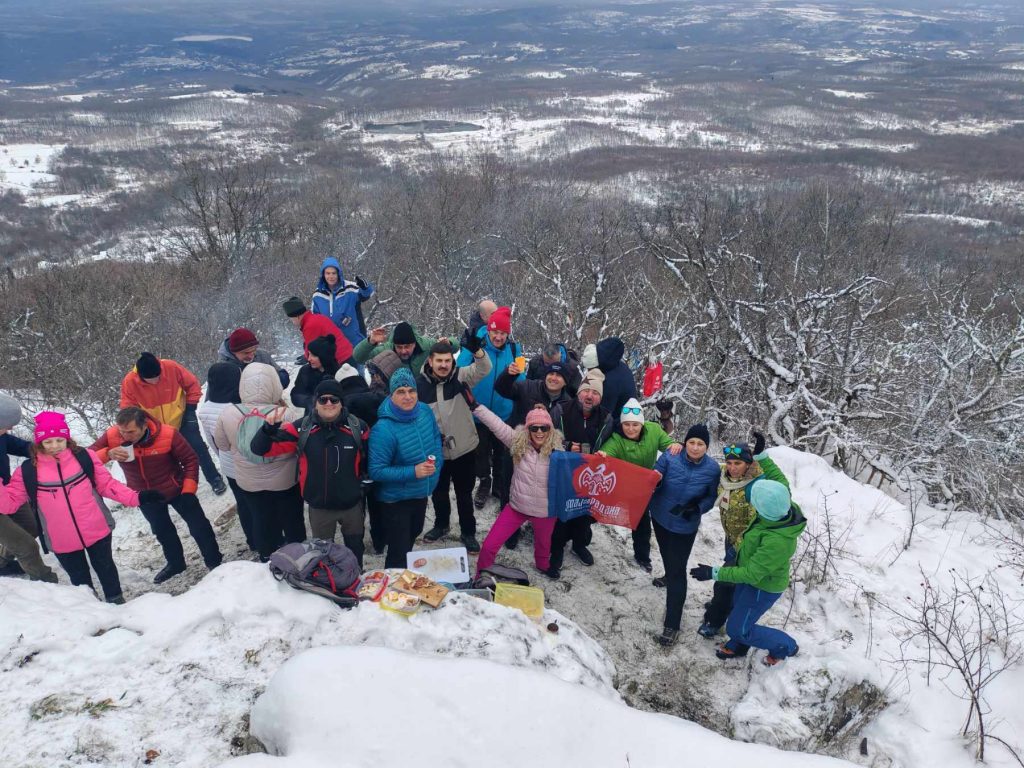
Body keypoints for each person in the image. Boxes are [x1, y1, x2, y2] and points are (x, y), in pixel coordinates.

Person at [1, 412, 154, 603]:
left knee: (106, 568)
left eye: (59, 440)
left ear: (67, 438)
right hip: (61, 538)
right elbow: (9, 504)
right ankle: (92, 609)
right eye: (48, 442)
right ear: (39, 443)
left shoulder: (84, 457)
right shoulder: (27, 470)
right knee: (80, 581)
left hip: (96, 528)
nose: (54, 446)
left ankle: (117, 601)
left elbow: (107, 485)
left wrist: (136, 498)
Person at [92, 407, 223, 583]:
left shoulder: (168, 434)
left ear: (144, 425)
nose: (124, 436)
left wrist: (189, 489)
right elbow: (87, 457)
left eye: (130, 432)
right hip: (144, 494)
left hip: (175, 488)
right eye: (122, 431)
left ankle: (214, 560)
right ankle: (176, 564)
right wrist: (107, 453)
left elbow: (190, 459)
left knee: (199, 526)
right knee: (162, 531)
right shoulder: (113, 435)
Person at [251, 379, 370, 567]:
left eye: (334, 399)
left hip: (351, 505)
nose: (329, 403)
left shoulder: (358, 427)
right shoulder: (302, 429)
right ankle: (329, 583)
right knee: (322, 553)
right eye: (323, 400)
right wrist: (267, 430)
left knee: (355, 548)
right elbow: (260, 450)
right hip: (319, 507)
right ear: (315, 402)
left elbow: (369, 458)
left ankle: (356, 576)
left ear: (342, 402)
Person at [690, 479, 806, 666]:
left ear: (764, 509)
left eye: (755, 501)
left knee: (737, 628)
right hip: (750, 576)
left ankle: (786, 646)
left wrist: (715, 573)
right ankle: (738, 645)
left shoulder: (777, 541)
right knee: (738, 610)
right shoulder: (779, 510)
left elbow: (752, 574)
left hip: (762, 586)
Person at [696, 434, 791, 639]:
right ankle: (728, 606)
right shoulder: (724, 477)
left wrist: (762, 457)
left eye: (738, 463)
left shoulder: (758, 485)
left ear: (748, 463)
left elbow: (782, 485)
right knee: (733, 583)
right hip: (730, 537)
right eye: (729, 462)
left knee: (724, 582)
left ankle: (714, 620)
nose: (732, 467)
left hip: (745, 544)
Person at [213, 363, 306, 561]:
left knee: (260, 518)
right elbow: (296, 445)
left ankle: (266, 554)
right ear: (274, 384)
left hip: (249, 481)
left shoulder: (228, 413)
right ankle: (298, 554)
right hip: (285, 480)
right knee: (291, 518)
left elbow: (221, 445)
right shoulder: (284, 414)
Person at [647, 423, 720, 647]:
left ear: (706, 447)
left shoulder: (713, 469)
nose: (695, 447)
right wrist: (655, 481)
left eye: (700, 444)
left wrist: (696, 508)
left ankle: (672, 624)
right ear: (685, 442)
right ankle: (668, 575)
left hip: (685, 526)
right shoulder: (671, 456)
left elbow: (711, 496)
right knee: (666, 554)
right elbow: (656, 474)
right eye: (691, 442)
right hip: (660, 516)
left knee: (678, 570)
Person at [472, 403, 563, 579]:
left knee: (544, 544)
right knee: (490, 545)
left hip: (546, 511)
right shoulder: (518, 443)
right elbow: (496, 424)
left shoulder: (559, 451)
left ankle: (543, 564)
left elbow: (582, 466)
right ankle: (481, 575)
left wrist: (600, 458)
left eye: (544, 428)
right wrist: (475, 407)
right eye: (534, 428)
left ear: (550, 429)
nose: (539, 432)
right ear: (527, 429)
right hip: (517, 508)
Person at [418, 338, 492, 552]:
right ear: (430, 361)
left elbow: (485, 368)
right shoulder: (419, 385)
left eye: (447, 360)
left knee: (464, 493)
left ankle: (468, 531)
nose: (443, 365)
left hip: (464, 448)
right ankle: (441, 525)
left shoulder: (461, 376)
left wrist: (477, 350)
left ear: (453, 361)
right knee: (439, 492)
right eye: (439, 360)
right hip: (436, 451)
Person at [120, 352, 227, 496]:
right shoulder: (130, 381)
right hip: (156, 428)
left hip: (182, 419)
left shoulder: (171, 367)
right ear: (140, 376)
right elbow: (128, 408)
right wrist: (141, 426)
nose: (155, 381)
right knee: (168, 459)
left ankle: (214, 478)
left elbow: (193, 385)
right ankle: (180, 489)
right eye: (150, 380)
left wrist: (190, 409)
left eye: (157, 377)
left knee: (198, 448)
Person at [368, 369, 443, 569]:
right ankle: (392, 588)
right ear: (391, 394)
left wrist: (437, 464)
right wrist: (413, 472)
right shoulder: (383, 429)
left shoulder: (425, 411)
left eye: (411, 390)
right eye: (401, 391)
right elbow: (376, 470)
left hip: (420, 492)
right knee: (398, 550)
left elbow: (436, 438)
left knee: (413, 533)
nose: (408, 396)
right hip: (395, 500)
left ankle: (404, 576)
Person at [597, 398, 682, 573]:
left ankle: (642, 557)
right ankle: (579, 539)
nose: (631, 429)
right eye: (627, 424)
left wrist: (674, 446)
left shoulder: (653, 430)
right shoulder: (616, 437)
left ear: (642, 424)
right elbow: (608, 452)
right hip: (621, 482)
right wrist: (603, 455)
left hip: (643, 486)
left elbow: (668, 444)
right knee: (595, 511)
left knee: (642, 521)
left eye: (635, 425)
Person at [546, 371, 615, 575]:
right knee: (562, 513)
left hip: (590, 476)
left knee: (584, 513)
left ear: (600, 398)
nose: (589, 396)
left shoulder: (607, 417)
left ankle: (579, 544)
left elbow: (613, 443)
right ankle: (556, 549)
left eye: (595, 393)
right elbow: (544, 436)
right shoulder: (561, 410)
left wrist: (605, 452)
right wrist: (566, 445)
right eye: (586, 391)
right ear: (578, 393)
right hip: (563, 473)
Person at [455, 305, 521, 511]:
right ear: (489, 330)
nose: (499, 337)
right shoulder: (476, 344)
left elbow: (521, 377)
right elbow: (461, 372)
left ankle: (499, 485)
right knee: (480, 453)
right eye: (495, 332)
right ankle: (484, 481)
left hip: (503, 413)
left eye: (503, 333)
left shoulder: (513, 349)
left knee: (502, 452)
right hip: (477, 412)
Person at [344, 350, 399, 554]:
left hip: (356, 462)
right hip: (380, 461)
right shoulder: (384, 401)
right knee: (378, 504)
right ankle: (379, 542)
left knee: (358, 506)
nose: (373, 377)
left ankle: (356, 541)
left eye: (376, 373)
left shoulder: (348, 405)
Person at [197, 363, 255, 553]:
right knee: (259, 503)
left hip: (229, 465)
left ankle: (253, 541)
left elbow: (212, 441)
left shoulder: (205, 409)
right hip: (250, 464)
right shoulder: (242, 405)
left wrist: (223, 456)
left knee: (244, 506)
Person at [0, 394, 58, 582]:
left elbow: (20, 446)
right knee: (27, 547)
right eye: (7, 424)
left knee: (31, 527)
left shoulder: (1, 436)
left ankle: (3, 562)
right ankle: (46, 583)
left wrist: (46, 448)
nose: (11, 428)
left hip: (8, 494)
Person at [310, 256, 374, 347]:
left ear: (338, 274)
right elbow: (314, 320)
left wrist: (365, 287)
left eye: (333, 273)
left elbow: (367, 295)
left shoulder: (350, 288)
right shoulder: (318, 295)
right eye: (328, 273)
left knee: (358, 360)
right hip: (331, 344)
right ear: (323, 275)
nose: (331, 276)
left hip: (355, 341)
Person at [354, 321, 459, 375]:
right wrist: (370, 341)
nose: (403, 351)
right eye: (399, 347)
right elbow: (359, 357)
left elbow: (455, 346)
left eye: (407, 346)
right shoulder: (387, 350)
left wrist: (448, 343)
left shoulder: (426, 345)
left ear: (414, 343)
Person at [282, 296, 354, 365]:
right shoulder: (316, 318)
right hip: (347, 355)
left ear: (297, 316)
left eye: (291, 319)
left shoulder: (309, 326)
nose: (292, 322)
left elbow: (312, 347)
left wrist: (306, 357)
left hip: (341, 359)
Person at [217, 328, 290, 388]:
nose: (251, 355)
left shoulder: (262, 355)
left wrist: (279, 379)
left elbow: (281, 375)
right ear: (234, 352)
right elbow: (214, 402)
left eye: (254, 350)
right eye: (246, 353)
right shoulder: (222, 369)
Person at [290, 335, 340, 413]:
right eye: (309, 354)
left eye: (313, 355)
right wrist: (311, 401)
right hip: (312, 416)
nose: (309, 359)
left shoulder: (339, 372)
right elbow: (296, 395)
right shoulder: (305, 371)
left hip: (337, 415)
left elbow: (349, 397)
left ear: (324, 356)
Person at [594, 337, 638, 420]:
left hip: (620, 425)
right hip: (627, 419)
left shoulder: (612, 380)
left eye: (597, 354)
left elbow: (603, 414)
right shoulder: (618, 366)